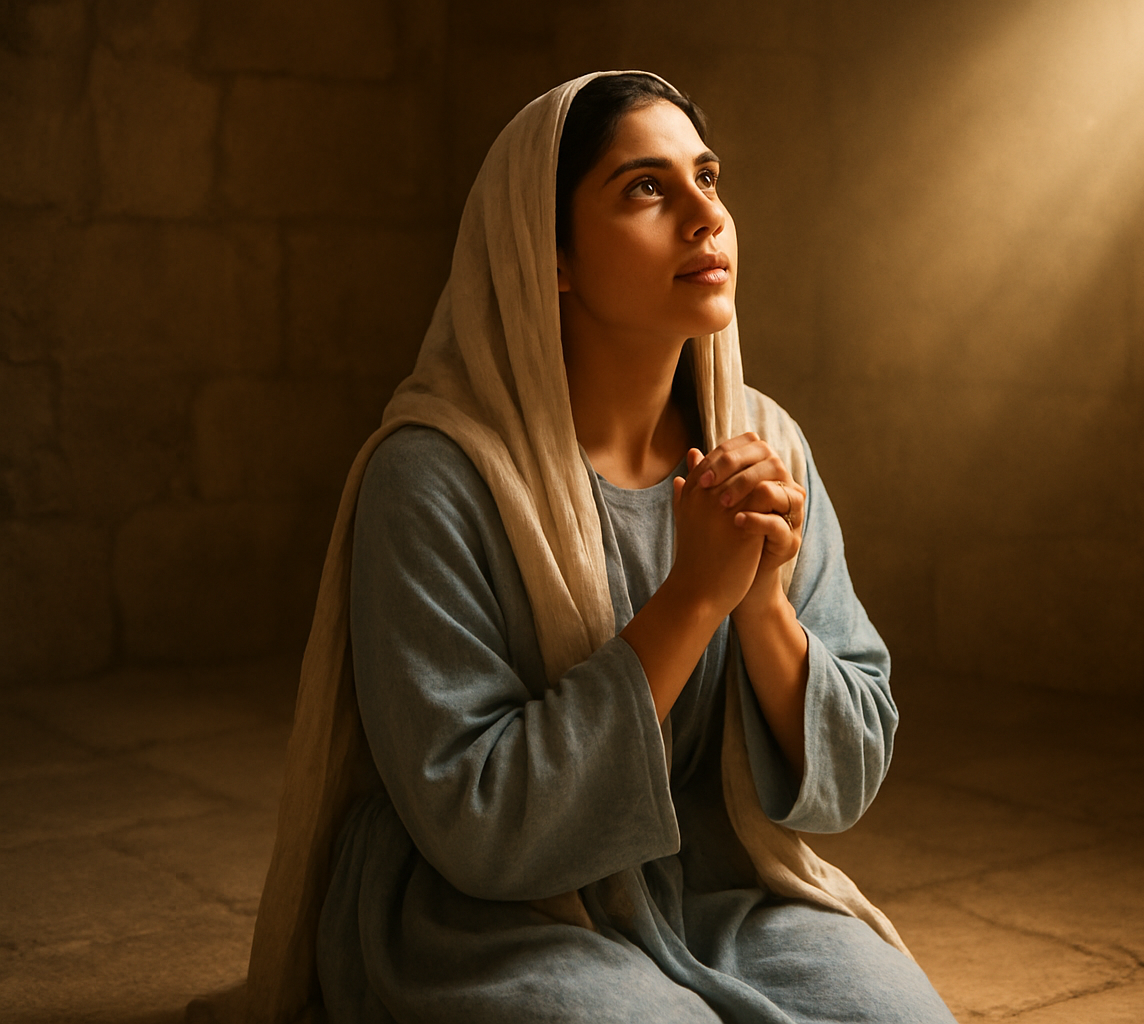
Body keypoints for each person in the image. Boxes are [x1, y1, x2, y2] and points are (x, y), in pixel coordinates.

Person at [238, 71, 957, 1024]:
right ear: (551, 256)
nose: (707, 215)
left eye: (708, 176)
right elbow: (477, 822)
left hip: (710, 886)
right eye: (646, 188)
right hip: (487, 911)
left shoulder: (763, 452)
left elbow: (850, 768)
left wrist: (761, 603)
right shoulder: (432, 478)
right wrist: (694, 597)